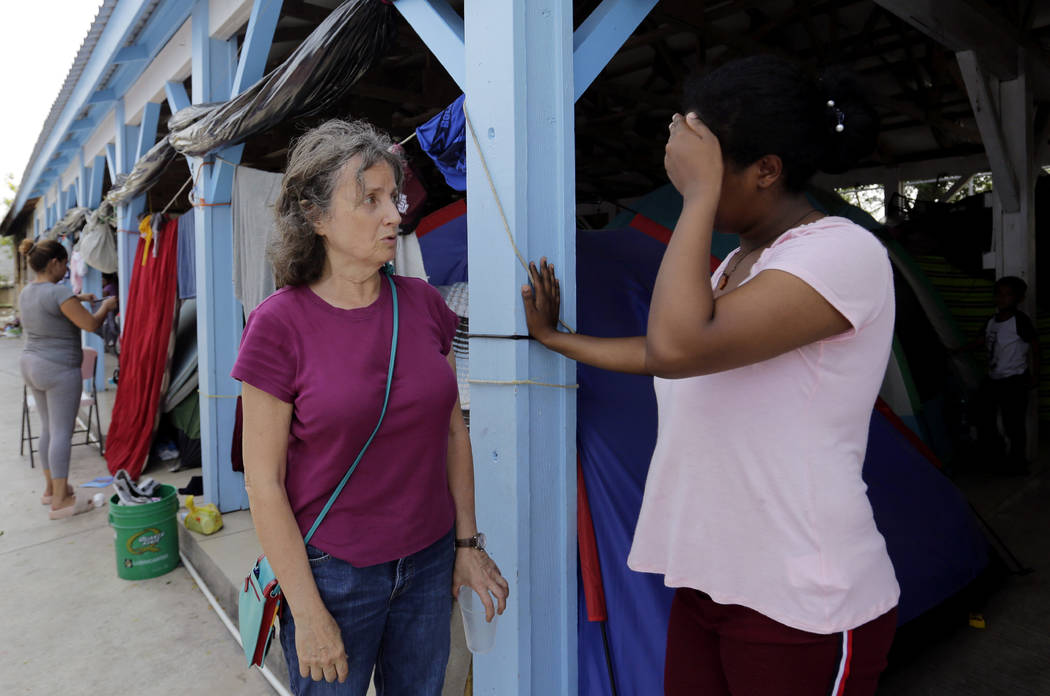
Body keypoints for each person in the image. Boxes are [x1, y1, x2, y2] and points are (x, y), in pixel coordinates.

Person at [522, 56, 899, 696]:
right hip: (711, 581)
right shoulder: (737, 265)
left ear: (766, 170)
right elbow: (671, 356)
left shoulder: (841, 253)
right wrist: (558, 340)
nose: (688, 184)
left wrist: (696, 198)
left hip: (802, 598)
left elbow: (677, 347)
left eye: (704, 170)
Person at [232, 119, 508, 696]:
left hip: (429, 563)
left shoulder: (425, 305)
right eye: (372, 200)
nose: (396, 215)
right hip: (333, 574)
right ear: (316, 218)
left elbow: (452, 433)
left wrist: (466, 544)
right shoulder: (277, 326)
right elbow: (263, 483)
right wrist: (306, 612)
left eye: (395, 197)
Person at [18, 238, 117, 520]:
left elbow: (54, 309)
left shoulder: (28, 292)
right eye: (63, 264)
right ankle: (61, 501)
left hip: (30, 364)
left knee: (48, 428)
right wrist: (106, 307)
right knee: (62, 432)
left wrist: (79, 300)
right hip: (58, 368)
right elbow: (90, 324)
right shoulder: (59, 293)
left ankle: (51, 489)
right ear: (54, 263)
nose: (65, 269)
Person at [978, 275, 1039, 473]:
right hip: (994, 378)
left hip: (1014, 379)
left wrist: (1035, 374)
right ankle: (996, 456)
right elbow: (981, 341)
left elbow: (1035, 348)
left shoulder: (1020, 321)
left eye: (1008, 295)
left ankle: (1017, 463)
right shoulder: (991, 321)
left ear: (1018, 299)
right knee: (984, 416)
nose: (1002, 299)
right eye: (999, 294)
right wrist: (956, 350)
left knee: (1013, 423)